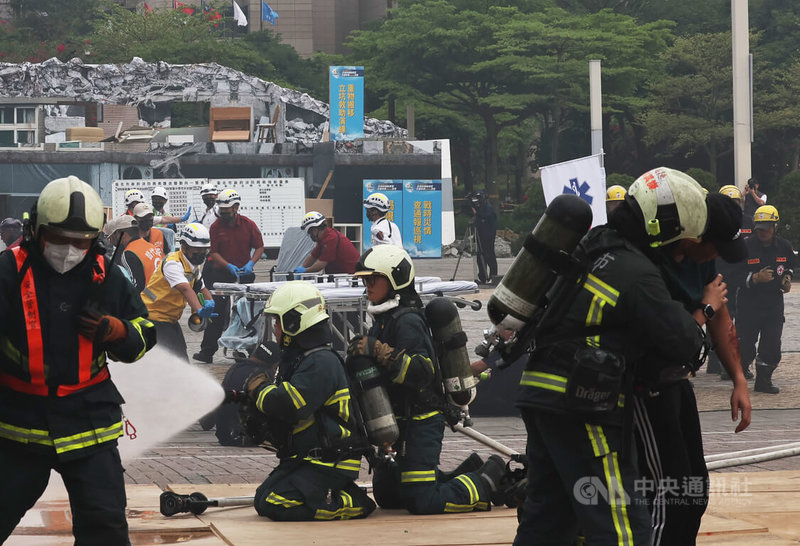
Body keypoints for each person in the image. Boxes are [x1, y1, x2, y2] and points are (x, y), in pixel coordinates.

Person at [513, 167, 709, 545]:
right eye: (681, 242)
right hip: (583, 402)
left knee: (548, 518)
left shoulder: (596, 244)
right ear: (665, 230)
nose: (681, 253)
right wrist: (706, 313)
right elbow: (688, 344)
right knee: (620, 523)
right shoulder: (637, 273)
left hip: (540, 391)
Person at [0, 175, 156, 544]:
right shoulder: (7, 271)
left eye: (81, 242)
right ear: (35, 230)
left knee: (106, 529)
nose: (69, 249)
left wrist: (117, 331)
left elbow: (145, 331)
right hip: (17, 426)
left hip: (90, 426)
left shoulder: (109, 275)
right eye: (58, 239)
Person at [348, 244, 506, 515]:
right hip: (401, 420)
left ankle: (489, 478)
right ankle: (470, 470)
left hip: (422, 418)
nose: (367, 285)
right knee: (389, 497)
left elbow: (422, 372)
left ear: (395, 278)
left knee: (422, 501)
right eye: (365, 280)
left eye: (373, 279)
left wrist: (380, 351)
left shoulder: (407, 320)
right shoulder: (383, 320)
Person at [634, 189, 751, 545]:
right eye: (715, 246)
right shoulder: (648, 262)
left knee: (694, 488)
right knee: (665, 493)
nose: (716, 257)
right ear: (695, 234)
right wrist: (707, 307)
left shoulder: (702, 258)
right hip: (643, 387)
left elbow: (720, 312)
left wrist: (739, 379)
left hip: (676, 381)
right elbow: (668, 332)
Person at [245, 281, 376, 521]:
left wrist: (260, 390)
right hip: (309, 459)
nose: (275, 329)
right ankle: (334, 493)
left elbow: (289, 404)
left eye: (278, 322)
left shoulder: (321, 362)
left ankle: (353, 502)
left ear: (295, 322)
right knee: (263, 497)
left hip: (330, 461)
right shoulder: (302, 359)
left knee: (275, 502)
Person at [194, 189, 264, 363]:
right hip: (220, 274)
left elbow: (259, 247)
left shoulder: (248, 225)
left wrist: (251, 264)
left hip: (244, 274)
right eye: (222, 210)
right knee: (216, 312)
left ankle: (248, 350)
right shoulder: (216, 227)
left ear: (236, 207)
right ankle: (207, 352)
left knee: (247, 313)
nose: (224, 213)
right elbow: (214, 252)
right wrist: (228, 265)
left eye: (227, 210)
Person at [736, 204, 796, 394]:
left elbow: (790, 266)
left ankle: (763, 381)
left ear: (775, 226)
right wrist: (754, 278)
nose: (763, 232)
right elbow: (732, 274)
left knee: (771, 346)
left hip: (773, 305)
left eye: (767, 228)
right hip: (749, 304)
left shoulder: (784, 246)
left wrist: (787, 277)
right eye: (759, 228)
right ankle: (741, 368)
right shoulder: (745, 246)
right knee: (745, 345)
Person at [142, 223, 216, 361]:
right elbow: (185, 288)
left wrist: (211, 303)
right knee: (175, 359)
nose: (201, 255)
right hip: (153, 317)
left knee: (180, 357)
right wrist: (199, 309)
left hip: (169, 319)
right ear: (184, 247)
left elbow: (202, 287)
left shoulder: (193, 265)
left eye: (204, 251)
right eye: (197, 251)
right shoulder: (173, 264)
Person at [295, 211, 360, 275]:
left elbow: (321, 264)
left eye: (310, 233)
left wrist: (305, 271)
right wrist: (302, 267)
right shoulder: (324, 238)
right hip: (341, 275)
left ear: (315, 230)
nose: (310, 236)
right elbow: (313, 256)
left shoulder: (331, 239)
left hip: (350, 276)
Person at [103, 215, 155, 292]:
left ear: (122, 235)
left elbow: (137, 287)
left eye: (116, 234)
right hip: (159, 294)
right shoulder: (150, 246)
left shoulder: (129, 253)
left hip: (148, 299)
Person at [471, 192, 497, 285]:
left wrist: (477, 213)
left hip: (488, 235)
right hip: (480, 234)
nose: (478, 200)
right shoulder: (481, 207)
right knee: (480, 256)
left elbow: (487, 217)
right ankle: (482, 277)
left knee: (489, 255)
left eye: (479, 198)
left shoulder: (488, 207)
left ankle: (493, 276)